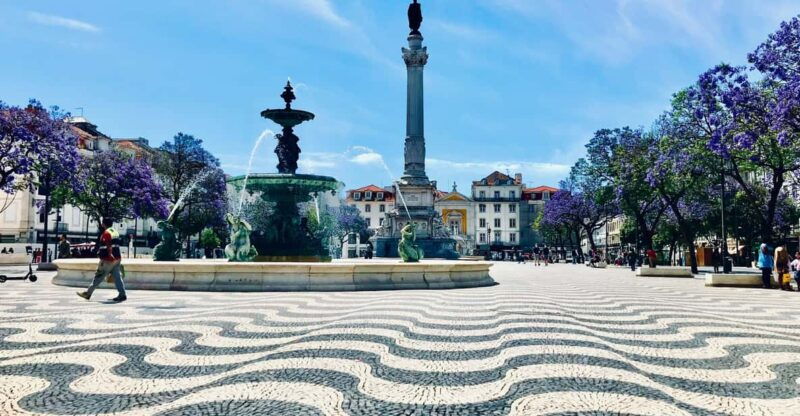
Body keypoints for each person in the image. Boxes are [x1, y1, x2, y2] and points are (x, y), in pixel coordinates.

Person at [77, 218, 126, 302]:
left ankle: (88, 293)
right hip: (117, 258)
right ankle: (122, 294)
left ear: (103, 224)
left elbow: (108, 245)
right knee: (117, 277)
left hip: (108, 259)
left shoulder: (106, 233)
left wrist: (109, 256)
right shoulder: (115, 232)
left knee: (99, 276)